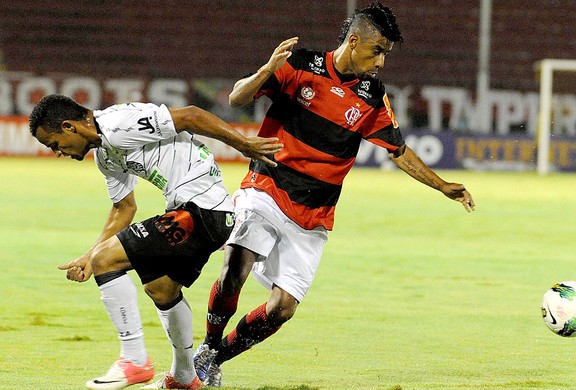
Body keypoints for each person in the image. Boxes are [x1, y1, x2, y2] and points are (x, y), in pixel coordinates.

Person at [192, 2, 475, 387]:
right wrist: (266, 70)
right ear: (354, 41)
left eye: (385, 55)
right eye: (377, 51)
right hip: (267, 188)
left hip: (314, 215)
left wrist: (443, 186)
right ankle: (206, 348)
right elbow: (237, 99)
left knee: (282, 309)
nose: (381, 62)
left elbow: (398, 150)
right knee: (235, 269)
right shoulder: (300, 65)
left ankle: (217, 356)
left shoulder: (372, 95)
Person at [29, 94, 282, 390]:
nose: (58, 152)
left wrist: (243, 144)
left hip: (203, 210)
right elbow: (124, 208)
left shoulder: (117, 125)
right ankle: (184, 377)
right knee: (160, 288)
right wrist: (89, 255)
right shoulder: (105, 155)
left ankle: (134, 360)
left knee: (106, 260)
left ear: (69, 126)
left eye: (55, 144)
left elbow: (189, 115)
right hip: (198, 215)